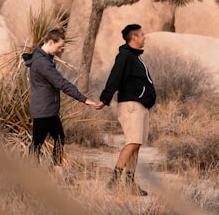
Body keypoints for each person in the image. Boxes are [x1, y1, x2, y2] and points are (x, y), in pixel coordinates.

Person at [22, 29, 103, 168]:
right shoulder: (42, 63)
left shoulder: (43, 59)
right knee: (37, 143)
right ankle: (31, 176)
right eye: (59, 47)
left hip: (48, 110)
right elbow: (61, 83)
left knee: (58, 138)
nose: (59, 50)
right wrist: (83, 99)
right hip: (43, 110)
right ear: (51, 42)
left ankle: (57, 172)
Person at [99, 23, 155, 196]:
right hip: (131, 105)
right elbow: (114, 77)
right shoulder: (125, 56)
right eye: (142, 34)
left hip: (140, 106)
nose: (144, 37)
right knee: (132, 142)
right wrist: (104, 99)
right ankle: (114, 182)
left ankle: (130, 184)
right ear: (134, 37)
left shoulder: (135, 57)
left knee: (136, 144)